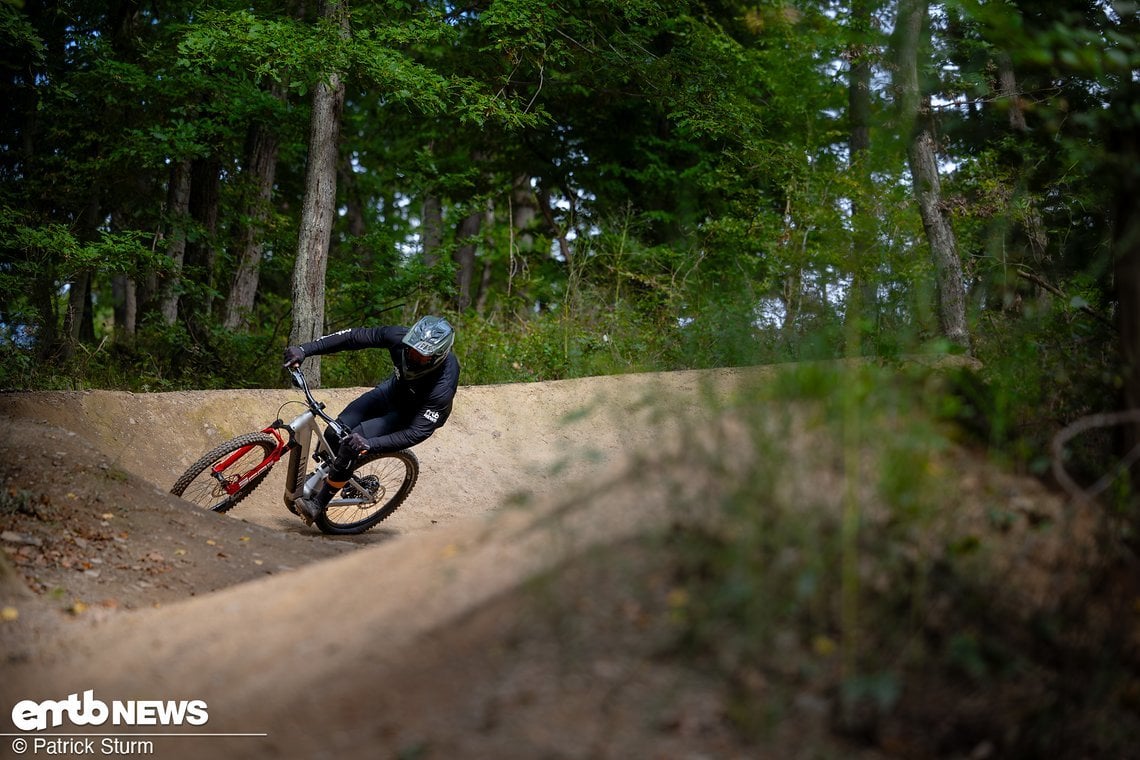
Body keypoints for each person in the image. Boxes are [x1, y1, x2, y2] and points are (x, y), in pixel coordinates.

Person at [282, 315, 459, 523]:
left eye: (421, 357)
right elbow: (353, 337)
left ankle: (317, 505)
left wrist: (369, 444)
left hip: (410, 415)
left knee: (352, 445)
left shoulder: (443, 385)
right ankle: (341, 476)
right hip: (391, 392)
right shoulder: (399, 337)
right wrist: (305, 350)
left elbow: (417, 432)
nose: (412, 357)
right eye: (411, 350)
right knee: (332, 433)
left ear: (437, 356)